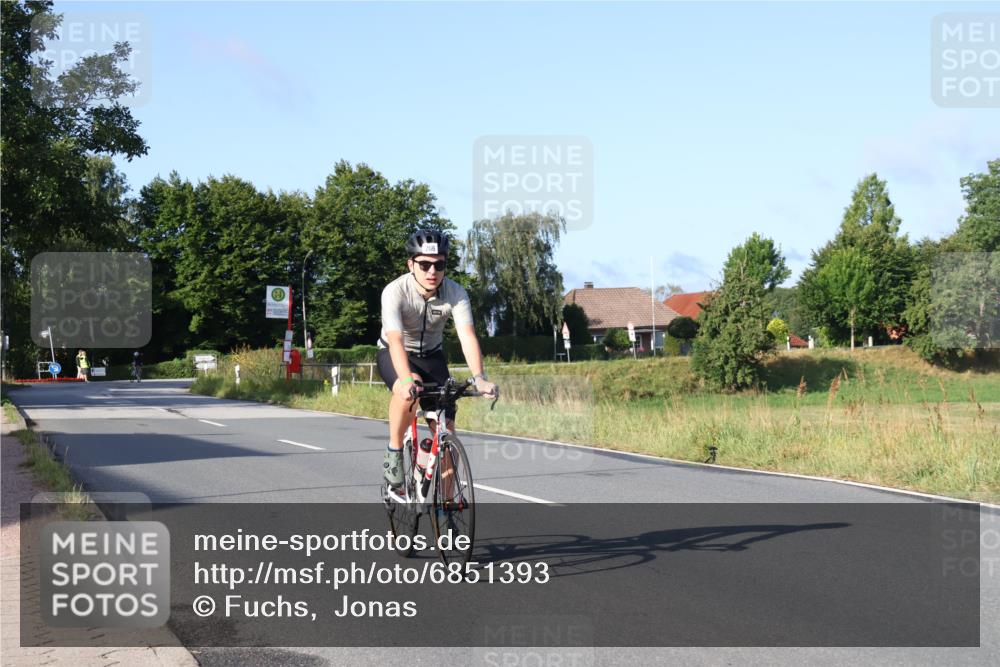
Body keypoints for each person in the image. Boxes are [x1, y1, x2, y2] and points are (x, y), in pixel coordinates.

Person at [377, 229, 498, 491]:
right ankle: (394, 452)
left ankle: (447, 510)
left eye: (439, 265)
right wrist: (407, 378)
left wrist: (479, 378)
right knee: (408, 390)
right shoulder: (395, 291)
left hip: (432, 356)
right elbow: (395, 339)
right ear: (411, 265)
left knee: (447, 433)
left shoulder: (455, 292)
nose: (432, 271)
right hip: (395, 352)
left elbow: (467, 336)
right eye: (424, 265)